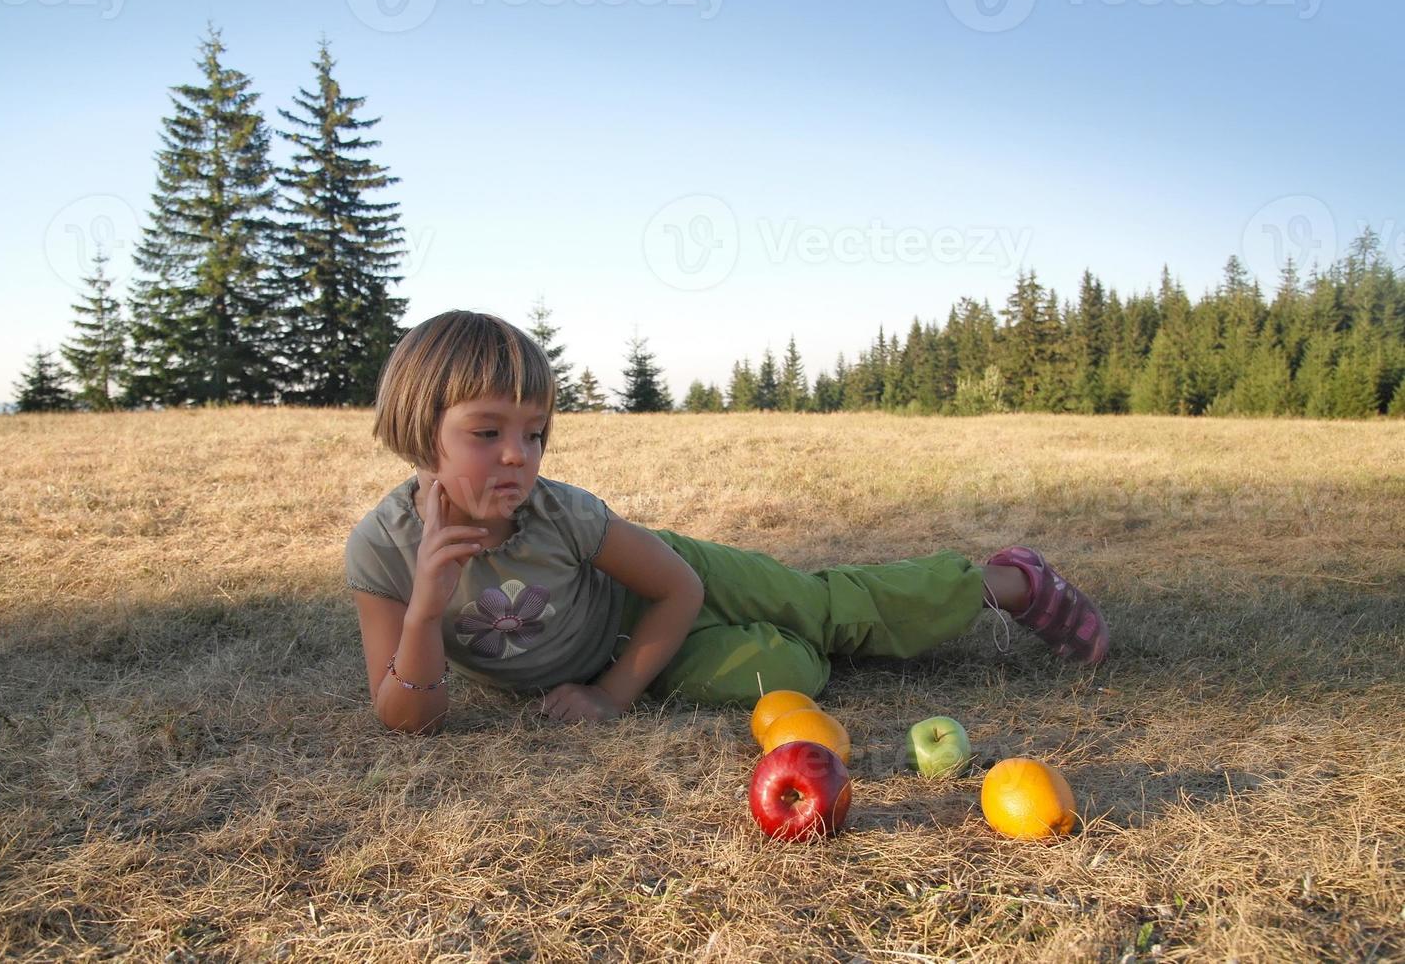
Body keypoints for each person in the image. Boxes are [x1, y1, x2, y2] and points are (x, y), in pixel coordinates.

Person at [346, 311, 1110, 734]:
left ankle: (1010, 582)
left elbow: (676, 587)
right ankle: (833, 634)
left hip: (673, 586)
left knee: (821, 605)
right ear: (422, 428)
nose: (519, 455)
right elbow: (409, 719)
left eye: (536, 431)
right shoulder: (383, 552)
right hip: (644, 654)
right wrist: (424, 612)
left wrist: (612, 698)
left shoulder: (562, 513)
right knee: (791, 671)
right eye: (488, 433)